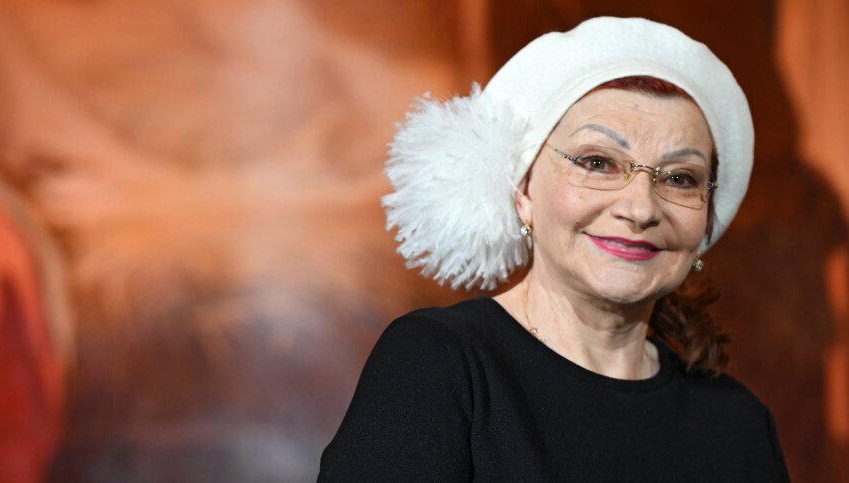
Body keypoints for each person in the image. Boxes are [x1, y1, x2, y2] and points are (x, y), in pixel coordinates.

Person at [319, 17, 791, 481]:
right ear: (524, 190)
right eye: (598, 163)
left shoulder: (741, 425)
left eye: (680, 178)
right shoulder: (440, 365)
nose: (641, 208)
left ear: (707, 216)